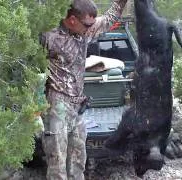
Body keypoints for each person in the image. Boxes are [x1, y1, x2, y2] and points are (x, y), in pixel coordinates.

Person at [39, 0, 128, 179]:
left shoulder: (85, 31)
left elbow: (110, 18)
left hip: (78, 107)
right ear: (72, 20)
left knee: (79, 161)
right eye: (87, 24)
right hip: (57, 106)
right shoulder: (49, 37)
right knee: (57, 165)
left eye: (91, 25)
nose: (90, 28)